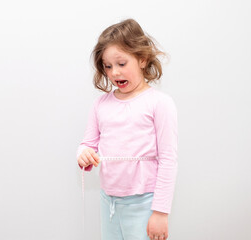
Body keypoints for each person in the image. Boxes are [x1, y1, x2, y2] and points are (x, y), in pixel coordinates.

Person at [76, 18, 178, 240]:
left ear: (142, 59)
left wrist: (160, 212)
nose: (114, 73)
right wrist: (83, 154)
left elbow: (168, 159)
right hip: (108, 202)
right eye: (108, 66)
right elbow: (88, 144)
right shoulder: (100, 104)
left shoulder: (159, 103)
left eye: (122, 64)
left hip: (144, 202)